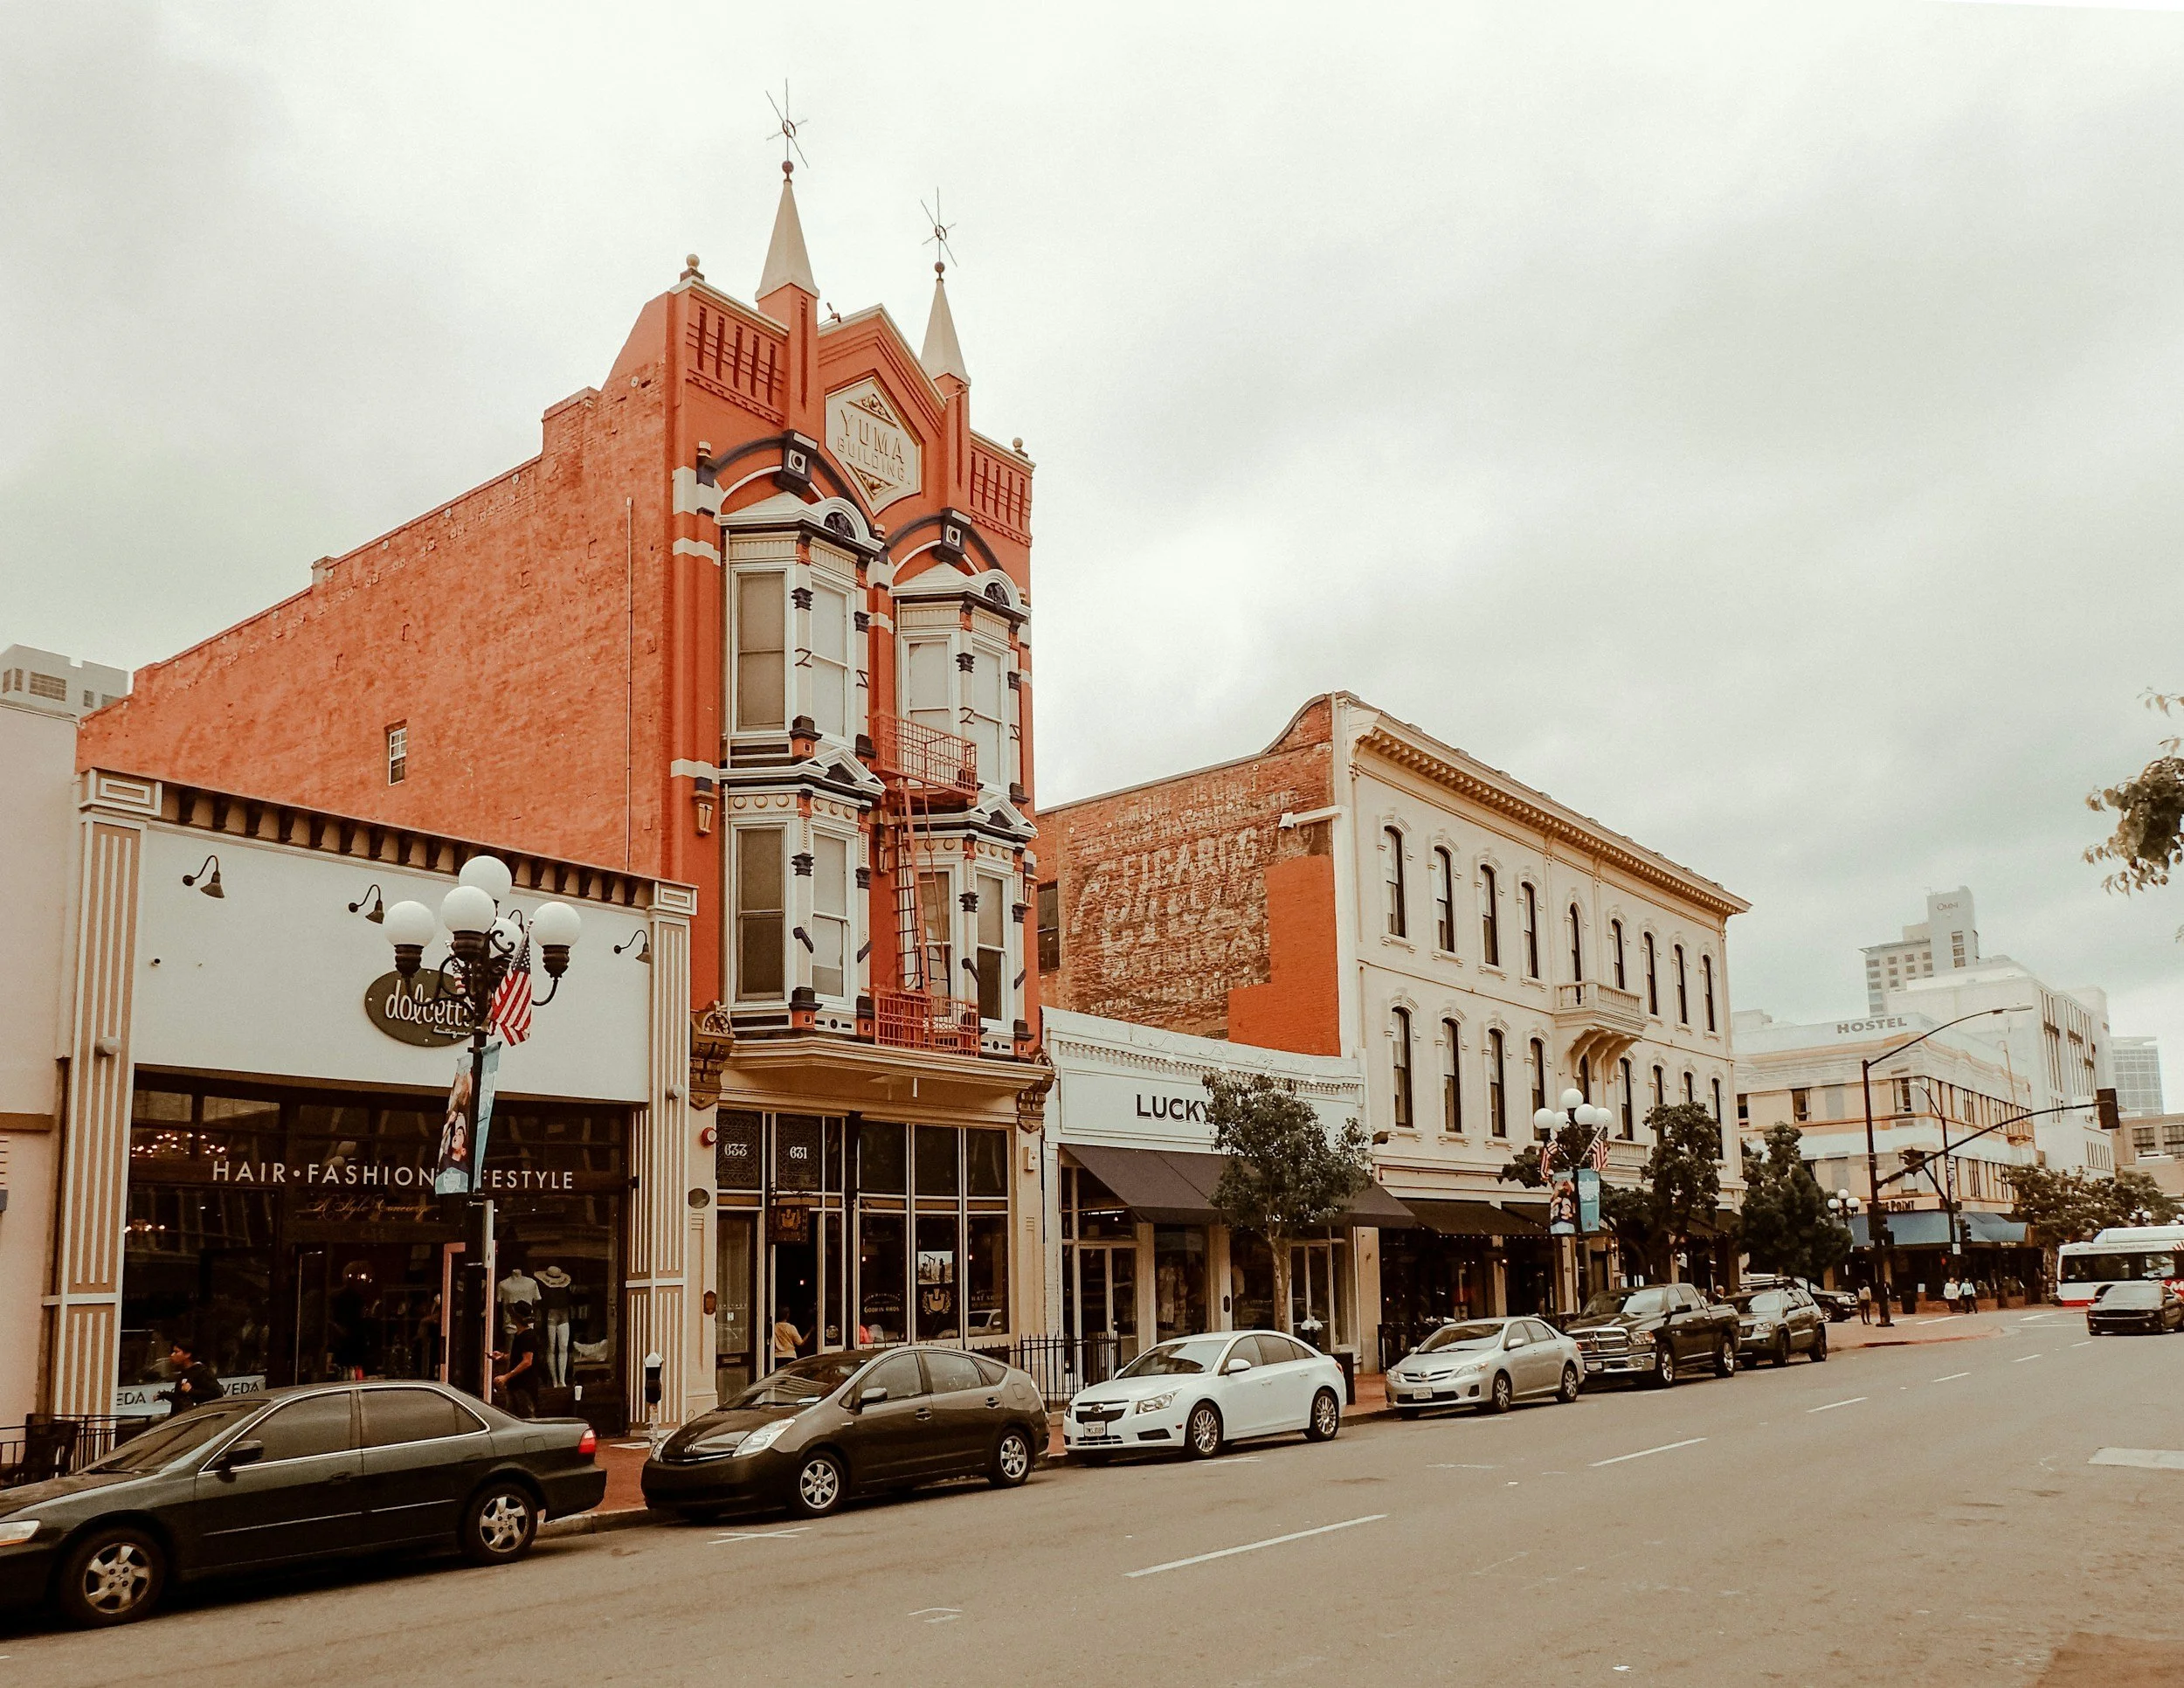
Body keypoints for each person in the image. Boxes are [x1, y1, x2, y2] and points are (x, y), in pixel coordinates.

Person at [494, 1304, 542, 1418]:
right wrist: (502, 1356)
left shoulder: (528, 1336)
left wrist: (506, 1377)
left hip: (524, 1386)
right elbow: (519, 1356)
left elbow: (527, 1361)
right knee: (512, 1416)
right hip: (515, 1385)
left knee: (526, 1417)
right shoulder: (519, 1335)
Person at [163, 1341, 224, 1416]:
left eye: (176, 1352)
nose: (172, 1355)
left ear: (187, 1354)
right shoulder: (185, 1372)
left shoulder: (201, 1372)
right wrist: (164, 1395)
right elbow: (181, 1398)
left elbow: (217, 1393)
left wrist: (191, 1391)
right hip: (179, 1419)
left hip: (195, 1419)